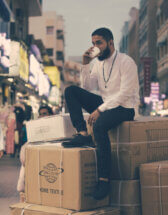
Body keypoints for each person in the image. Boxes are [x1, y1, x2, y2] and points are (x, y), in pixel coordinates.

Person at [62, 27, 139, 200]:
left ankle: (104, 180)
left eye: (99, 43)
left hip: (125, 107)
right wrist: (85, 64)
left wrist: (100, 110)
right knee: (71, 91)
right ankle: (82, 132)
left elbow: (125, 93)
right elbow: (88, 88)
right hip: (106, 104)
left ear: (110, 42)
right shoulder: (98, 64)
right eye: (93, 44)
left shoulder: (126, 62)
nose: (95, 47)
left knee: (99, 125)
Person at [17, 104, 53, 201]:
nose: (42, 116)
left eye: (44, 114)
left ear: (51, 114)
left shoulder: (55, 127)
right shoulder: (35, 128)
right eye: (40, 114)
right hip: (34, 162)